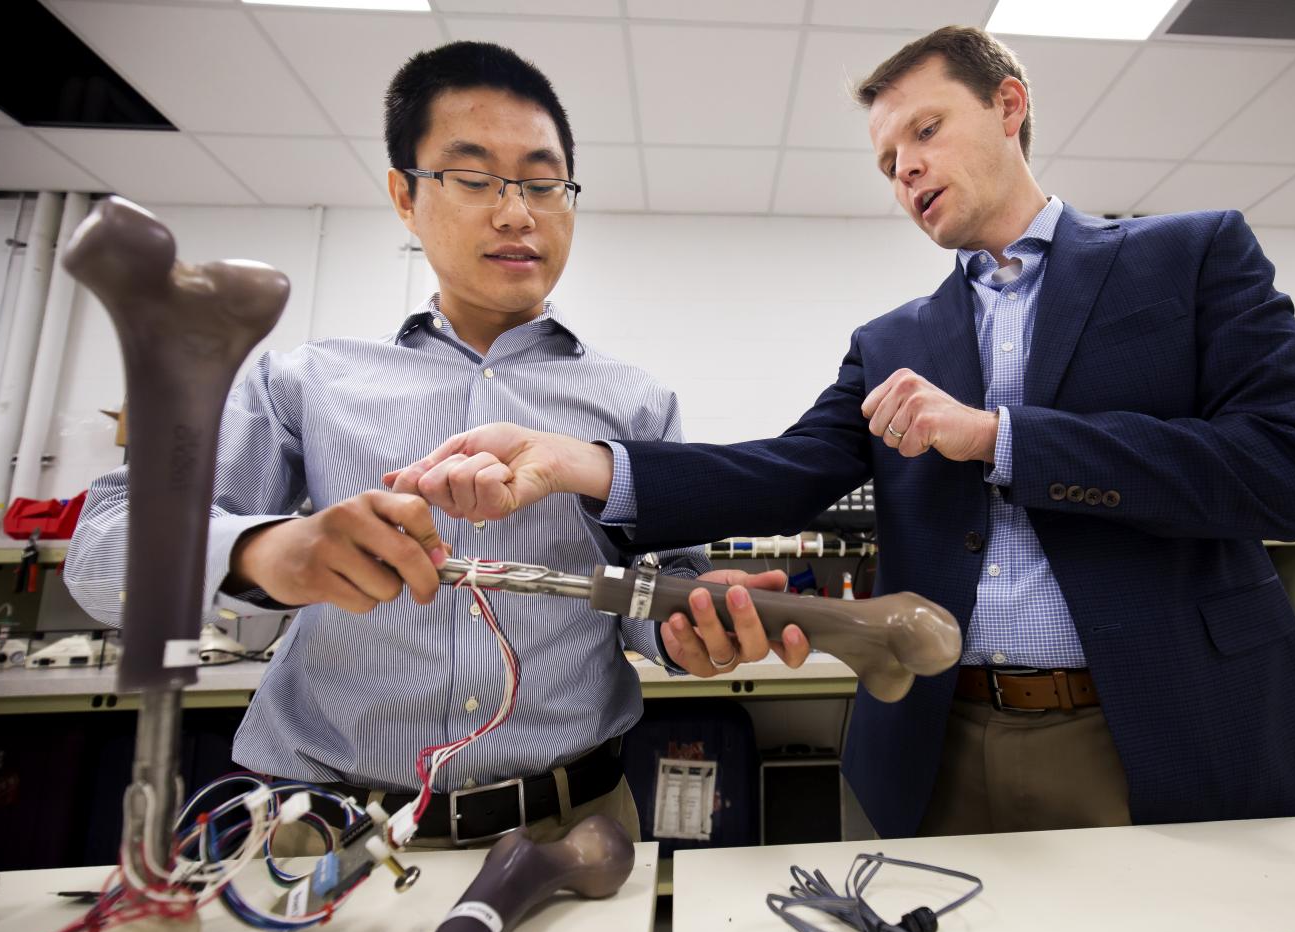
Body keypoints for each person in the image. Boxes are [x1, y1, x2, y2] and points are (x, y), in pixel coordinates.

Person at [386, 27, 1295, 839]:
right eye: (887, 160)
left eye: (926, 131)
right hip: (942, 745)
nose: (906, 168)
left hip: (1173, 729)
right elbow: (785, 473)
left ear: (1009, 105)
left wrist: (1004, 438)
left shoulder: (1191, 256)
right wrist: (578, 463)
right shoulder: (895, 340)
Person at [64, 40, 783, 849]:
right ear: (405, 195)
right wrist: (269, 551)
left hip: (573, 828)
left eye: (544, 182)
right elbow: (100, 550)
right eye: (474, 178)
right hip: (332, 835)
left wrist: (694, 629)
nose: (518, 212)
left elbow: (655, 591)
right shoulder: (309, 382)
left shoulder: (635, 402)